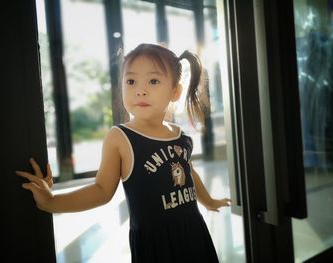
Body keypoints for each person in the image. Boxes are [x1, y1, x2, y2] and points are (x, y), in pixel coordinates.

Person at [16, 43, 231, 263]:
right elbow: (101, 190)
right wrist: (52, 202)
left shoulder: (179, 134)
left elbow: (189, 173)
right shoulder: (121, 137)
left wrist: (209, 201)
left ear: (174, 91)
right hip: (155, 244)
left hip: (194, 231)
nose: (140, 89)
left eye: (153, 81)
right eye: (131, 81)